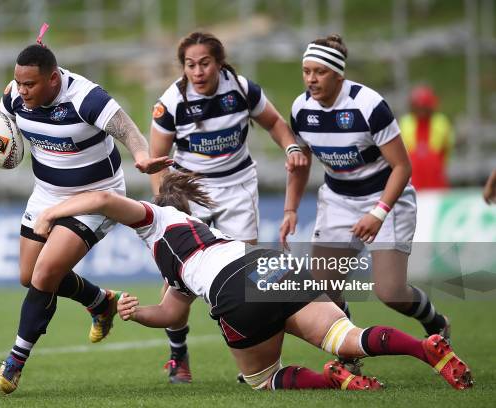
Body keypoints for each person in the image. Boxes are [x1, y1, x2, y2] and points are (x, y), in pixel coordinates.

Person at [32, 172, 473, 392]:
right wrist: (137, 312)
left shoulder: (158, 219)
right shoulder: (195, 241)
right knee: (346, 336)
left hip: (233, 286)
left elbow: (108, 200)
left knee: (261, 378)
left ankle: (332, 380)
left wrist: (52, 211)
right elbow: (171, 311)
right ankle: (426, 347)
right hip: (267, 265)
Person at [0, 41, 171, 394]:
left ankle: (14, 363)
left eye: (30, 84)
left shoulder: (87, 98)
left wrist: (142, 155)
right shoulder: (16, 95)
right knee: (30, 276)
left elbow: (128, 130)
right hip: (46, 194)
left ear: (54, 79)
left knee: (46, 273)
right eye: (18, 82)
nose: (21, 90)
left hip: (95, 199)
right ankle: (101, 302)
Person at [281, 35, 451, 374]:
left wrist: (378, 213)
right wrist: (290, 209)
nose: (311, 79)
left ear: (338, 75)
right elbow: (301, 164)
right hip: (338, 200)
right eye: (306, 71)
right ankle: (350, 355)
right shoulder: (301, 109)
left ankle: (437, 323)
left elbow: (403, 167)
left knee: (391, 292)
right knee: (324, 288)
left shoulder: (369, 105)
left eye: (319, 72)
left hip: (386, 198)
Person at [149, 31, 307, 383]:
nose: (198, 71)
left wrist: (291, 148)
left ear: (219, 63)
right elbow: (157, 162)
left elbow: (276, 124)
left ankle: (258, 359)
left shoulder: (241, 89)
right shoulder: (172, 102)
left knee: (248, 279)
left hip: (237, 188)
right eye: (190, 65)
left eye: (205, 63)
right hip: (191, 192)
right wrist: (167, 209)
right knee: (178, 280)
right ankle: (178, 355)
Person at [399, 85, 455, 190]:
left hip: (436, 178)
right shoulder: (406, 122)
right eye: (419, 106)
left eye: (425, 106)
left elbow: (447, 149)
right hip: (413, 177)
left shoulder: (441, 122)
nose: (422, 110)